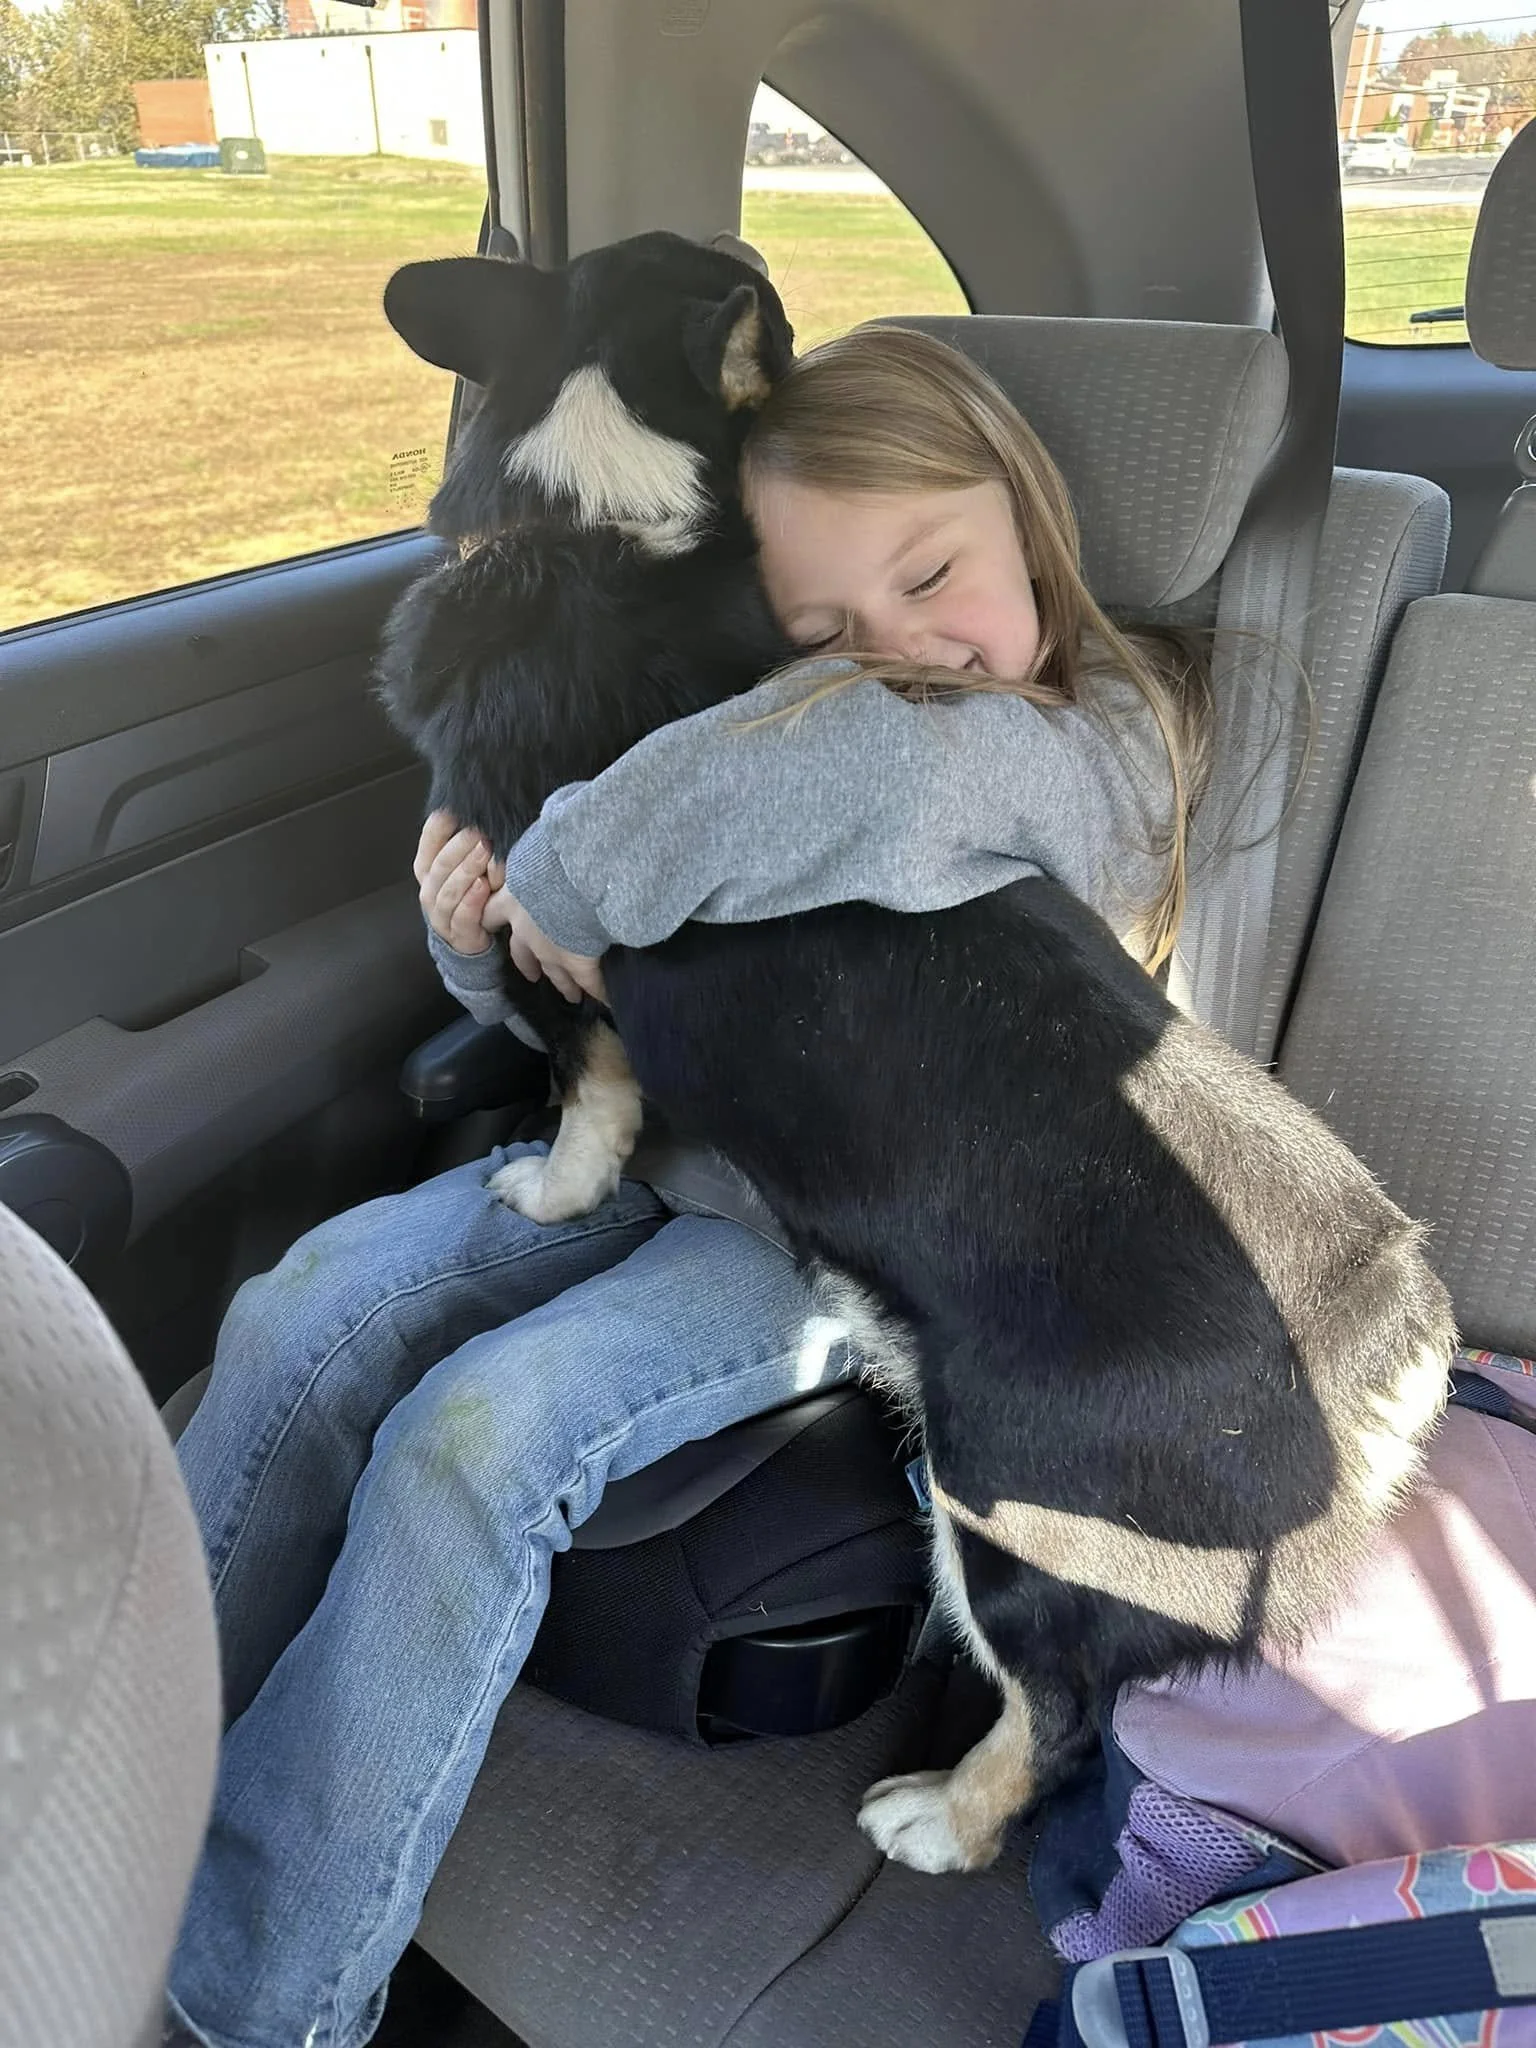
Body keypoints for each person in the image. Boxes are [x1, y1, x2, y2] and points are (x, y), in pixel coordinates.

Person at [164, 324, 1209, 2048]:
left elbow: (916, 772)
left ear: (1027, 511)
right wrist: (489, 941)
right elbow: (609, 972)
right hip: (653, 1141)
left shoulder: (1098, 740)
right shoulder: (752, 748)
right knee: (300, 1312)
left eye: (933, 571)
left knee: (474, 1446)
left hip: (835, 1225)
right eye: (825, 635)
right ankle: (111, 1773)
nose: (899, 656)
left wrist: (602, 844)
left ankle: (246, 1996)